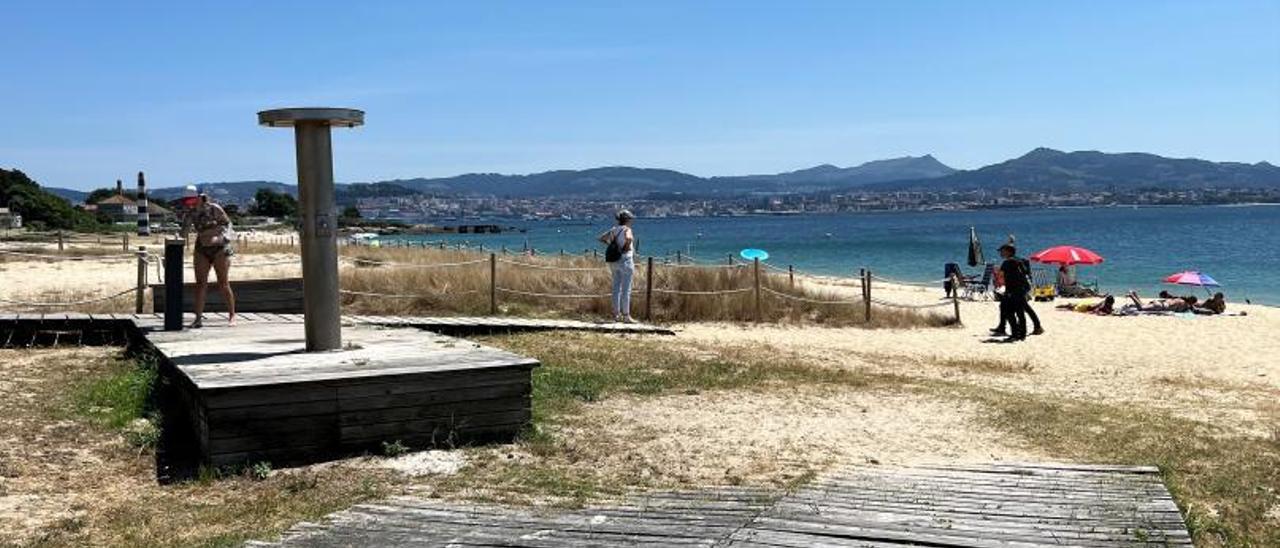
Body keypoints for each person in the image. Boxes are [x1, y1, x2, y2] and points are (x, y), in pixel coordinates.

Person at [187, 192, 236, 328]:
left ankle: (232, 315)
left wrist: (222, 237)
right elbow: (184, 230)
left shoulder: (214, 208)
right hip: (202, 247)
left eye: (193, 198)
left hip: (220, 247)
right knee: (200, 284)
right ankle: (198, 318)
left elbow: (228, 224)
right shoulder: (191, 212)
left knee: (223, 282)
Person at [598, 210, 635, 323]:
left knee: (616, 288)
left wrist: (612, 245)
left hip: (614, 261)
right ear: (627, 219)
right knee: (626, 289)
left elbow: (601, 238)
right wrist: (624, 248)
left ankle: (616, 315)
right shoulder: (627, 229)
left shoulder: (614, 230)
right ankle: (626, 315)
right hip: (625, 260)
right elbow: (628, 238)